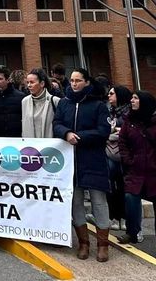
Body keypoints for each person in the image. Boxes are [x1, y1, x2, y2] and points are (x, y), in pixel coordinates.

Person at [53, 68, 111, 262]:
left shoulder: (98, 105)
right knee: (75, 202)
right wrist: (66, 133)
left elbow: (103, 130)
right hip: (71, 161)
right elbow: (57, 123)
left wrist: (81, 137)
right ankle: (83, 243)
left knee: (98, 201)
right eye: (72, 80)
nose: (74, 84)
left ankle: (103, 245)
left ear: (87, 82)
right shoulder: (64, 103)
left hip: (93, 158)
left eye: (78, 80)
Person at [117, 90, 156, 245]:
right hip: (136, 170)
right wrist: (128, 160)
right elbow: (122, 141)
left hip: (154, 172)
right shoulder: (129, 121)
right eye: (132, 98)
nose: (132, 101)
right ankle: (133, 232)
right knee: (130, 198)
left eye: (136, 98)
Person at [106, 85, 132, 230]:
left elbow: (126, 132)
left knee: (124, 187)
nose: (109, 96)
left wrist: (114, 133)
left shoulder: (128, 113)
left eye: (112, 94)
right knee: (111, 187)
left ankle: (124, 217)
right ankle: (114, 217)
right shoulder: (110, 111)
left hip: (124, 155)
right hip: (110, 152)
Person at [21, 68, 61, 138]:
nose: (29, 85)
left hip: (50, 146)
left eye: (32, 82)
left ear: (42, 83)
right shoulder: (25, 101)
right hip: (30, 146)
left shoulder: (55, 101)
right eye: (27, 82)